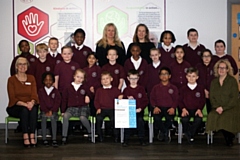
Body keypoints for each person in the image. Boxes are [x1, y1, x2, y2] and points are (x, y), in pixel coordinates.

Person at [206, 59, 240, 147]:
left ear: (227, 69)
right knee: (213, 116)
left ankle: (229, 137)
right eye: (219, 68)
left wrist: (223, 108)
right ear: (217, 69)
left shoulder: (232, 81)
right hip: (217, 108)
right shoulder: (214, 82)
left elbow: (234, 98)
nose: (221, 70)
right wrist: (217, 107)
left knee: (226, 117)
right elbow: (212, 97)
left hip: (231, 108)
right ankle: (229, 136)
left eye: (224, 68)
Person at [7, 57, 39, 147]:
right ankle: (25, 135)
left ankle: (32, 135)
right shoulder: (11, 80)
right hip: (15, 106)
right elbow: (12, 98)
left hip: (30, 104)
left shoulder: (31, 78)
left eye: (24, 64)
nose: (22, 66)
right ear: (16, 66)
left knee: (33, 109)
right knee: (24, 110)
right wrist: (25, 104)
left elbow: (34, 95)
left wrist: (32, 102)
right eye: (20, 64)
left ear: (27, 66)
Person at [61, 69, 91, 145]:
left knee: (82, 117)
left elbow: (91, 94)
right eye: (78, 77)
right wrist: (63, 110)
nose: (79, 79)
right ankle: (64, 136)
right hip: (71, 107)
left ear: (84, 79)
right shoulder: (68, 87)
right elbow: (64, 99)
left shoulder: (85, 87)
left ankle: (90, 131)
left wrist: (88, 96)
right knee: (65, 116)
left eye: (81, 78)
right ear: (74, 76)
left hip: (83, 107)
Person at [120, 69, 148, 146]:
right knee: (127, 122)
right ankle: (126, 140)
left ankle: (142, 139)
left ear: (138, 78)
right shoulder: (126, 90)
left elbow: (145, 101)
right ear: (128, 78)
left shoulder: (141, 89)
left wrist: (140, 108)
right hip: (129, 111)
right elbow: (122, 102)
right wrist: (126, 99)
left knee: (140, 121)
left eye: (135, 78)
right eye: (131, 78)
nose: (133, 80)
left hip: (139, 111)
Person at [150, 67, 178, 143]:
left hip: (169, 108)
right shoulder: (155, 87)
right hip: (158, 108)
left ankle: (162, 132)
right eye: (162, 74)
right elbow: (152, 98)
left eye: (166, 74)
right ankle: (166, 132)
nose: (164, 76)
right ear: (159, 76)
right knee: (157, 118)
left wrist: (173, 107)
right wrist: (155, 107)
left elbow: (176, 99)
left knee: (170, 119)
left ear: (169, 76)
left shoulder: (173, 88)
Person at [179, 67, 205, 144]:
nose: (191, 78)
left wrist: (200, 109)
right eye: (189, 76)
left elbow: (202, 100)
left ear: (197, 77)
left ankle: (189, 134)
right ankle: (190, 136)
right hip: (186, 109)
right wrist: (183, 109)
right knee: (184, 119)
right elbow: (180, 100)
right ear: (186, 77)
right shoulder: (183, 88)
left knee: (198, 120)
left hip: (196, 109)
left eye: (193, 76)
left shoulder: (200, 88)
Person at [95, 71, 121, 142]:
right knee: (99, 118)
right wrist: (98, 108)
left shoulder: (116, 90)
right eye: (103, 79)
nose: (105, 80)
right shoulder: (99, 90)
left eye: (107, 78)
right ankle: (100, 136)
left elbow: (121, 97)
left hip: (112, 109)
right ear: (101, 81)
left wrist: (121, 96)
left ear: (111, 79)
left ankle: (116, 136)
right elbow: (96, 100)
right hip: (102, 109)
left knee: (114, 119)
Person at [38, 72, 61, 147]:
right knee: (43, 118)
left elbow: (57, 103)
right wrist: (45, 111)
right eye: (46, 80)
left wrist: (52, 110)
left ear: (53, 81)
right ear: (43, 81)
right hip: (43, 111)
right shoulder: (41, 91)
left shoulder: (56, 91)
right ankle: (44, 139)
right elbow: (41, 102)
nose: (48, 82)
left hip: (53, 111)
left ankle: (54, 139)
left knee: (53, 118)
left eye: (50, 80)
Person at [196, 49, 215, 113]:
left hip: (212, 92)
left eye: (208, 56)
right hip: (201, 91)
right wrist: (204, 90)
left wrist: (210, 91)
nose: (206, 58)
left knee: (211, 111)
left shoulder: (215, 66)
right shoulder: (198, 67)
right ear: (201, 57)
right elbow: (196, 79)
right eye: (204, 56)